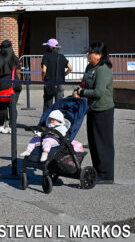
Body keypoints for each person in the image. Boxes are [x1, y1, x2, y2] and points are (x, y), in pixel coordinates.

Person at [73, 42, 115, 184]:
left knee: (103, 143)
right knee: (94, 142)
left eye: (91, 52)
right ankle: (98, 170)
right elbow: (83, 82)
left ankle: (106, 175)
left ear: (99, 55)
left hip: (103, 110)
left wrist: (82, 92)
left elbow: (99, 92)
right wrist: (77, 88)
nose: (88, 54)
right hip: (91, 109)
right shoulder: (90, 67)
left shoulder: (103, 69)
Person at [0, 39, 20, 134]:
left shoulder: (2, 57)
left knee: (2, 106)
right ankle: (12, 126)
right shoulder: (15, 57)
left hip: (4, 83)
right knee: (13, 106)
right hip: (15, 83)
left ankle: (1, 125)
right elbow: (18, 72)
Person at [41, 38, 72, 110]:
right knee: (59, 105)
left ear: (50, 47)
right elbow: (70, 68)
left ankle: (47, 119)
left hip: (49, 83)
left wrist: (43, 78)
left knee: (48, 105)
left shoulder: (46, 57)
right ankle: (58, 119)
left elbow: (44, 70)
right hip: (59, 83)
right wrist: (63, 74)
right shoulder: (61, 56)